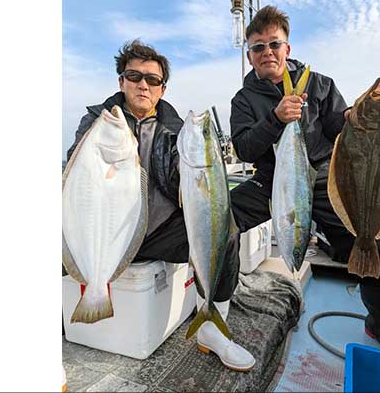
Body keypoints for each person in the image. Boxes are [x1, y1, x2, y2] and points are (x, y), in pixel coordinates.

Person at [65, 40, 256, 370]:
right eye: (134, 76)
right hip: (105, 233)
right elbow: (76, 173)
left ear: (162, 89)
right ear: (121, 81)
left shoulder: (175, 129)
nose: (143, 84)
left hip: (157, 233)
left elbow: (181, 182)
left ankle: (211, 326)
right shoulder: (98, 120)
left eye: (152, 80)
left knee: (225, 234)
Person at [229, 6, 380, 342]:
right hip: (272, 180)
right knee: (222, 220)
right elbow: (244, 149)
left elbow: (339, 129)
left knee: (370, 242)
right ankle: (220, 300)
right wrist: (275, 118)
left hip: (325, 178)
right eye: (258, 47)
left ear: (287, 48)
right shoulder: (243, 100)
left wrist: (356, 116)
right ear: (250, 55)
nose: (267, 52)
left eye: (274, 44)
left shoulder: (320, 84)